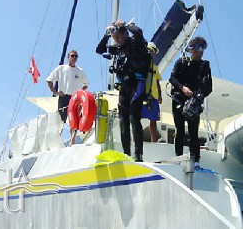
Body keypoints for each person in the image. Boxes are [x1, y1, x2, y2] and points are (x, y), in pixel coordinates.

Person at [96, 20, 151, 161]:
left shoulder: (135, 43)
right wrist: (107, 34)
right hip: (124, 86)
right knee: (123, 122)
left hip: (137, 84)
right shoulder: (118, 49)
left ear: (125, 33)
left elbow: (138, 31)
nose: (117, 40)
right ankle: (127, 154)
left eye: (119, 37)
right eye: (115, 38)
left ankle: (138, 155)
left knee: (134, 119)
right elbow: (99, 50)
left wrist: (125, 25)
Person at [169, 36, 212, 168]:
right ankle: (178, 158)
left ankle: (196, 161)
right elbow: (172, 78)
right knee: (179, 130)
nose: (200, 52)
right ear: (190, 49)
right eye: (198, 48)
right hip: (179, 99)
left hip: (194, 102)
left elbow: (209, 87)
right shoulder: (181, 62)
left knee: (194, 133)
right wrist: (183, 88)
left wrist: (198, 97)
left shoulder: (205, 65)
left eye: (203, 48)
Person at [46, 50, 89, 145]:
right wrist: (55, 92)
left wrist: (81, 92)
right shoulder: (61, 68)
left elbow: (86, 84)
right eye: (72, 56)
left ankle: (72, 141)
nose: (74, 58)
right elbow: (49, 80)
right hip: (63, 96)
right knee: (61, 118)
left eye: (76, 56)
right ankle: (57, 141)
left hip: (75, 98)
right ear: (68, 57)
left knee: (75, 119)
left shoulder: (80, 71)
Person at [141, 42, 162, 142]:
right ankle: (136, 140)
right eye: (149, 50)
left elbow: (157, 82)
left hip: (153, 96)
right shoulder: (139, 64)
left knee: (153, 120)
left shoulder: (155, 67)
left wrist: (160, 95)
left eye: (153, 51)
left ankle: (154, 141)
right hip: (141, 95)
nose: (151, 53)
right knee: (137, 118)